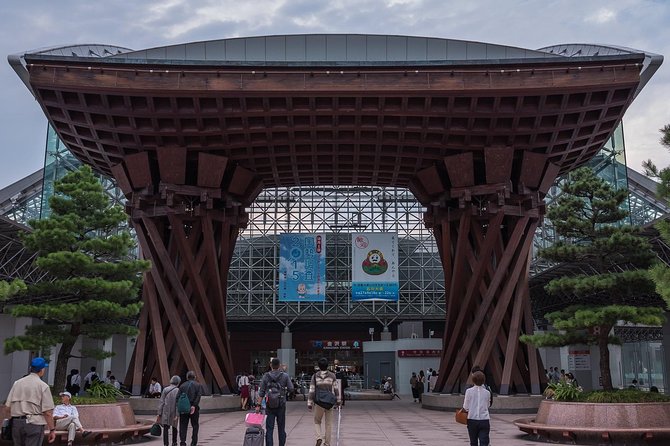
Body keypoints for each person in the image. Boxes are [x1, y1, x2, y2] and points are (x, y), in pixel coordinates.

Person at [5, 357, 57, 446]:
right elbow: (47, 412)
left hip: (17, 423)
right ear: (41, 370)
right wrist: (52, 430)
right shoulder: (43, 386)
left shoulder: (17, 383)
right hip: (34, 424)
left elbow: (7, 407)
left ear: (31, 368)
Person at [256, 358, 293, 446]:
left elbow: (261, 392)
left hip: (269, 406)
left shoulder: (266, 376)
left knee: (269, 429)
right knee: (281, 429)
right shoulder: (285, 376)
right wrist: (284, 391)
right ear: (279, 365)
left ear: (271, 365)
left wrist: (258, 405)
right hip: (281, 404)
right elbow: (291, 388)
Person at [308, 358, 340, 446]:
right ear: (327, 366)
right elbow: (336, 389)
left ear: (318, 366)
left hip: (319, 402)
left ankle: (319, 437)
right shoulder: (332, 375)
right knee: (329, 423)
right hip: (329, 403)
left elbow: (312, 390)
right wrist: (338, 401)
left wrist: (309, 403)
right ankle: (327, 443)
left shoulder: (315, 376)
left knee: (317, 421)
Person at [463, 370, 491, 446]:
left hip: (472, 419)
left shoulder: (468, 391)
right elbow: (488, 405)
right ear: (483, 380)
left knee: (473, 442)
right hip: (484, 420)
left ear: (473, 380)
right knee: (484, 442)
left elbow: (465, 407)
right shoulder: (487, 392)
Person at [178, 371, 203, 446]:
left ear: (187, 377)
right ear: (194, 377)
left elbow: (178, 397)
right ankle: (193, 442)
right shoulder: (198, 385)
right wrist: (194, 405)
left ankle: (182, 442)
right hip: (194, 408)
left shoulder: (182, 386)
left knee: (183, 425)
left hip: (184, 408)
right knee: (195, 425)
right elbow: (198, 396)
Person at [157, 375, 181, 446]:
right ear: (178, 382)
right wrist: (177, 414)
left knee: (165, 428)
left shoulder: (165, 389)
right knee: (174, 427)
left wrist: (159, 413)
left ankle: (166, 444)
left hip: (165, 411)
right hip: (174, 411)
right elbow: (178, 403)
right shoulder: (178, 390)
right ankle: (174, 442)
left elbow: (161, 402)